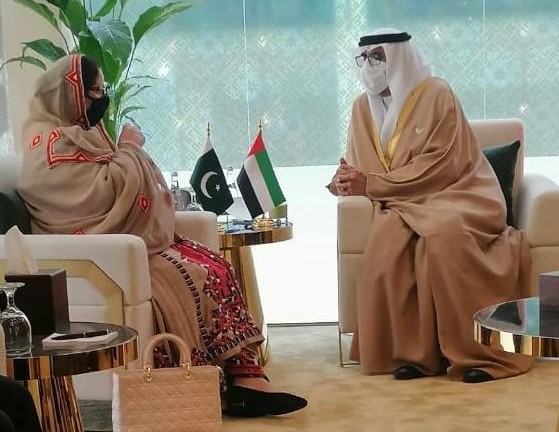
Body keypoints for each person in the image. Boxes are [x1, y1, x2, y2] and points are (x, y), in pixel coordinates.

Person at [17, 54, 307, 417]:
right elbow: (98, 196)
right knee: (191, 275)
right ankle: (210, 384)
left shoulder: (79, 135)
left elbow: (110, 184)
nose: (102, 99)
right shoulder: (48, 145)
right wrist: (129, 148)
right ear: (70, 95)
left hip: (119, 240)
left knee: (215, 265)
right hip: (96, 252)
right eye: (96, 92)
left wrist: (125, 151)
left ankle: (245, 377)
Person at [327, 28, 533, 383]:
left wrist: (372, 184)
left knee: (444, 237)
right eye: (364, 58)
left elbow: (442, 164)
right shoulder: (361, 108)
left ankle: (481, 353)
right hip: (403, 201)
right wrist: (344, 181)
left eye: (378, 56)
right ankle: (415, 355)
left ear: (398, 56)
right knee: (391, 239)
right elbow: (359, 164)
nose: (370, 65)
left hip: (461, 194)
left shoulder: (437, 94)